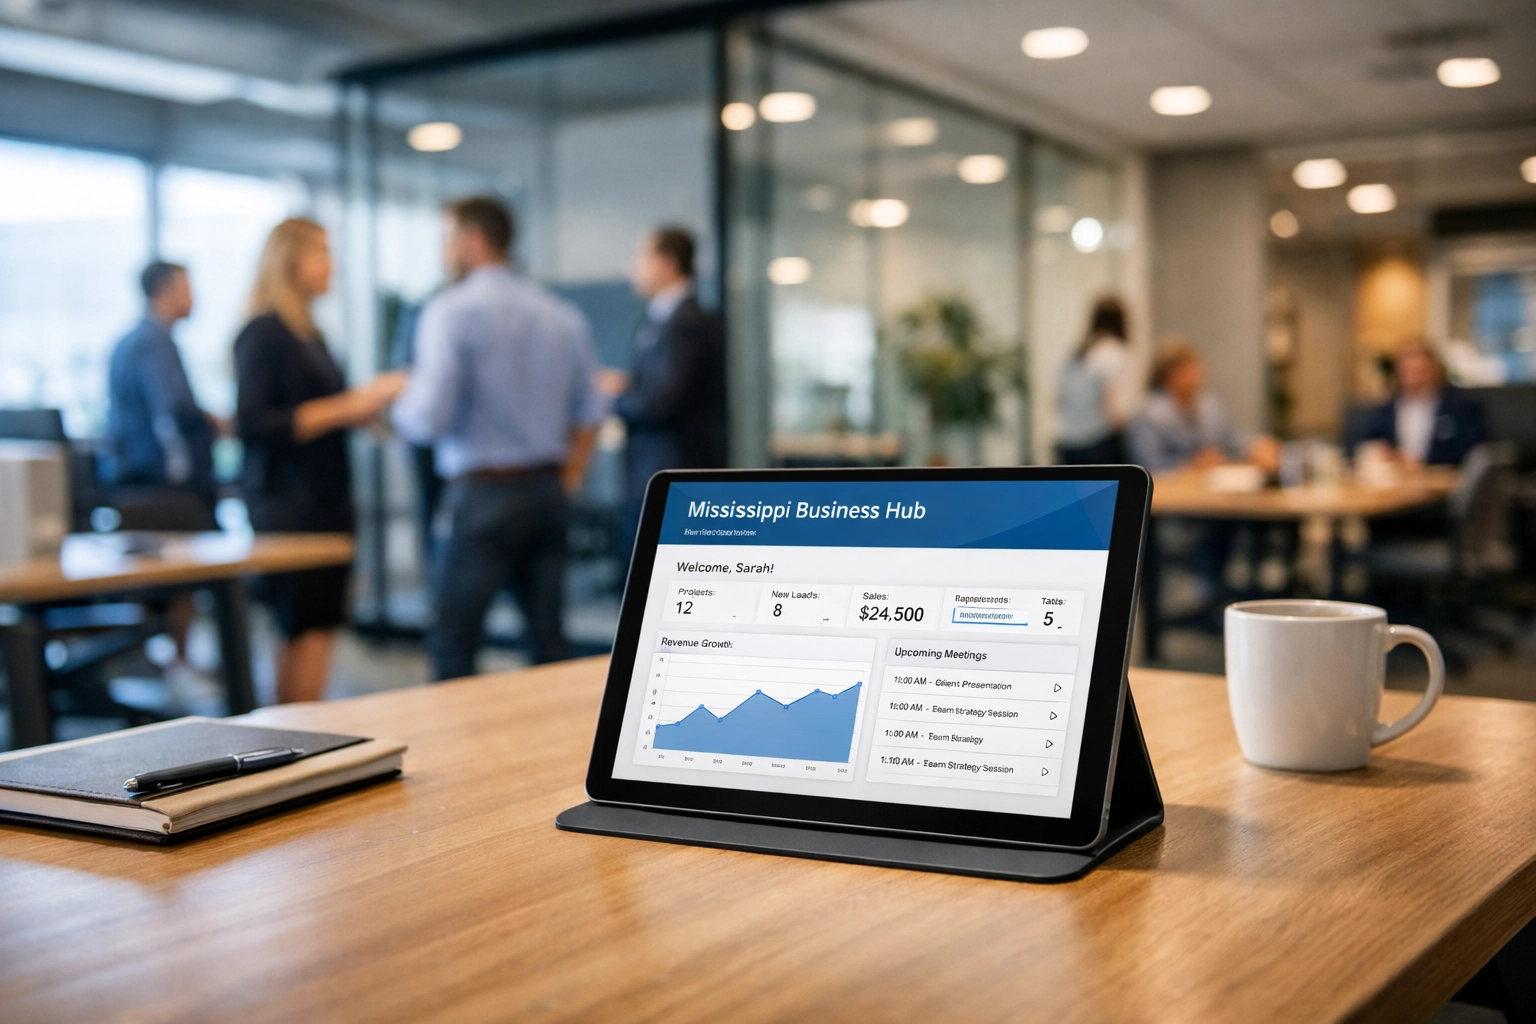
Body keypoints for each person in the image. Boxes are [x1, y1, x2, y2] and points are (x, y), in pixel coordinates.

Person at [392, 196, 604, 679]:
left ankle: (457, 733)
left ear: (474, 240)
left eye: (447, 239)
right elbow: (590, 411)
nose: (444, 252)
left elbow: (429, 418)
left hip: (482, 494)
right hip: (547, 490)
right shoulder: (561, 315)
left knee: (454, 640)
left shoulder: (451, 311)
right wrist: (569, 479)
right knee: (548, 640)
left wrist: (396, 404)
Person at [235, 218, 407, 703]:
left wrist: (364, 410)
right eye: (324, 253)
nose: (334, 266)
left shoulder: (309, 334)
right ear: (293, 261)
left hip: (327, 497)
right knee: (302, 625)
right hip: (290, 505)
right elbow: (254, 423)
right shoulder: (263, 333)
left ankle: (301, 728)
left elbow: (322, 412)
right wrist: (348, 405)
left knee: (319, 627)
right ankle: (293, 732)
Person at [600, 226, 728, 553]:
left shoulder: (686, 323)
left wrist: (615, 395)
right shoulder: (664, 320)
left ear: (667, 263)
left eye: (641, 258)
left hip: (673, 479)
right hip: (661, 476)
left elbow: (660, 404)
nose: (633, 269)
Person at [104, 261, 219, 517]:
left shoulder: (131, 340)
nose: (194, 298)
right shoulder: (154, 342)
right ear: (165, 289)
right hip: (160, 483)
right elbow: (177, 407)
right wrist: (215, 423)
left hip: (135, 479)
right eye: (187, 289)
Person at [1129, 340, 1280, 474]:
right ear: (1169, 374)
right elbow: (1147, 465)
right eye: (1188, 369)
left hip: (1212, 485)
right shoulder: (1147, 415)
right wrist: (1190, 465)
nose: (1197, 375)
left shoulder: (1210, 406)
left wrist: (1254, 447)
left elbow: (1230, 441)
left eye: (1196, 368)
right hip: (1172, 491)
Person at [1350, 343, 1487, 467]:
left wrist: (1420, 462)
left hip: (1443, 483)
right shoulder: (1383, 411)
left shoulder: (1461, 407)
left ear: (1434, 371)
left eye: (1420, 371)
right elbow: (1359, 446)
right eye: (1408, 372)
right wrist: (1380, 454)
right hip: (1395, 482)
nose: (1414, 379)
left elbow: (1475, 454)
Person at [1056, 297, 1132, 465]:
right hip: (1099, 443)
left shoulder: (1075, 353)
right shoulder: (1112, 352)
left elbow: (1059, 400)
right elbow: (1112, 408)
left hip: (1069, 443)